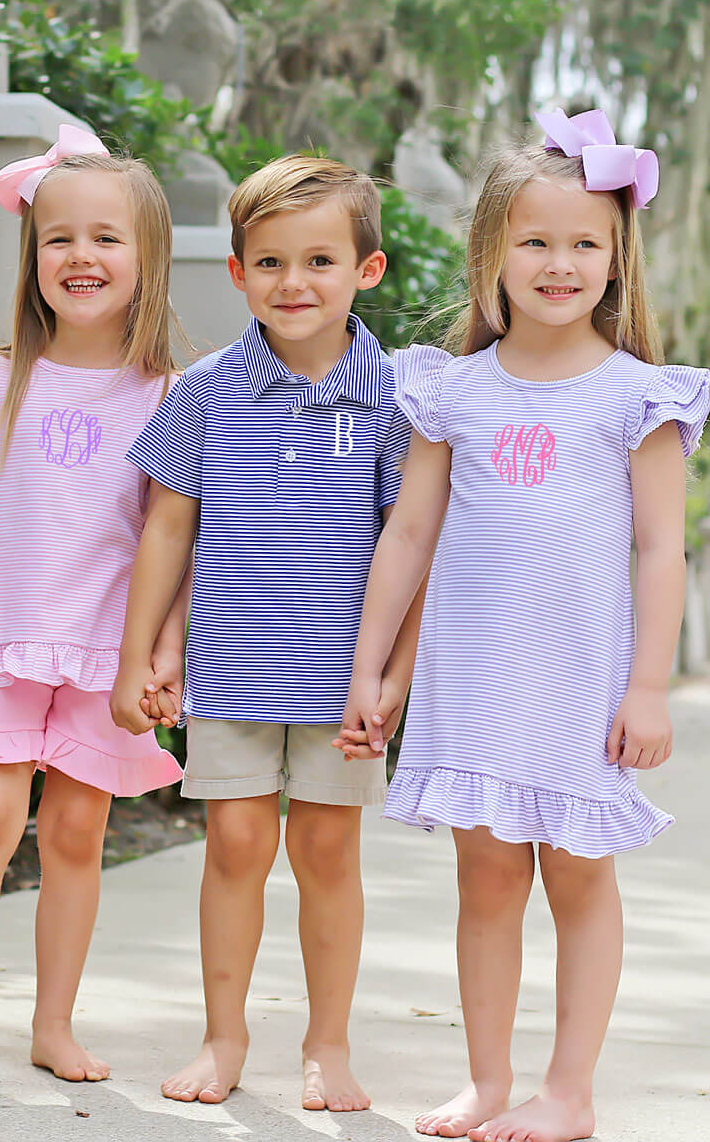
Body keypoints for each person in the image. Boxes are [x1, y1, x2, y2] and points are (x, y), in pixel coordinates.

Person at [338, 109, 708, 1142]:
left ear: (617, 258)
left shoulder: (640, 399)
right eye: (535, 242)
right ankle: (489, 1081)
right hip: (475, 680)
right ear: (493, 255)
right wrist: (374, 671)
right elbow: (410, 533)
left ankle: (571, 1092)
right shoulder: (455, 389)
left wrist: (646, 687)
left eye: (584, 242)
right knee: (487, 878)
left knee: (579, 879)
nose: (559, 263)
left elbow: (657, 553)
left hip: (583, 685)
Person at [113, 154, 424, 1111]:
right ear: (239, 271)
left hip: (345, 684)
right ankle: (224, 1036)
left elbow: (414, 548)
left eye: (320, 261)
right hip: (232, 670)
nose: (295, 283)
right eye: (272, 262)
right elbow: (170, 525)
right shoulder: (207, 390)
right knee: (236, 851)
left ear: (366, 272)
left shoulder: (397, 397)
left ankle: (327, 1044)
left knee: (328, 858)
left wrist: (394, 678)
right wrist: (146, 655)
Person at [0, 126, 187, 1089]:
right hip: (7, 637)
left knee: (75, 834)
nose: (81, 257)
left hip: (106, 646)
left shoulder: (168, 395)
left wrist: (160, 654)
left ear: (146, 259)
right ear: (33, 254)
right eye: (60, 239)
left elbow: (174, 540)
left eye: (106, 239)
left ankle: (53, 1025)